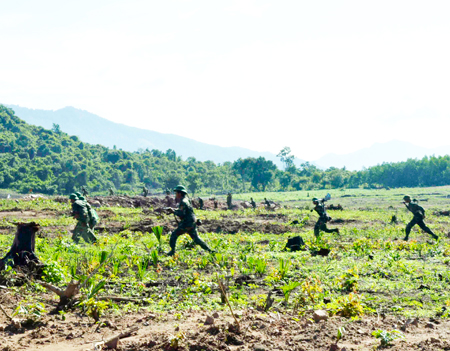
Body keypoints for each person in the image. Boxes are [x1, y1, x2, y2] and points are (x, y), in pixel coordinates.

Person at [166, 185, 213, 256]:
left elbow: (182, 214)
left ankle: (172, 251)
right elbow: (187, 211)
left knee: (174, 235)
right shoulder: (187, 200)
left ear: (180, 193)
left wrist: (173, 211)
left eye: (176, 193)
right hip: (191, 222)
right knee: (196, 239)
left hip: (187, 223)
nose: (175, 195)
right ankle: (209, 250)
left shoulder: (183, 202)